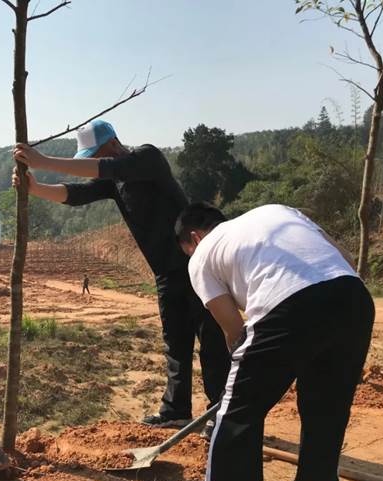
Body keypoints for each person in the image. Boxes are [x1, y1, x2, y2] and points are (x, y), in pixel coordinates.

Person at [13, 120, 230, 430]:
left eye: (95, 156)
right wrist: (36, 188)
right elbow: (77, 193)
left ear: (113, 144)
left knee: (210, 342)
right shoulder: (114, 182)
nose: (92, 163)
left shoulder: (148, 158)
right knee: (176, 342)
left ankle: (221, 413)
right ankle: (176, 411)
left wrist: (44, 161)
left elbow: (105, 169)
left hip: (196, 265)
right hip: (165, 272)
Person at [173, 203, 374, 481]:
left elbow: (234, 330)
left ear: (194, 238)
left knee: (237, 413)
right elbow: (346, 260)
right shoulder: (280, 212)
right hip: (353, 298)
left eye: (188, 250)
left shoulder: (201, 256)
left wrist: (243, 382)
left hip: (287, 305)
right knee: (327, 411)